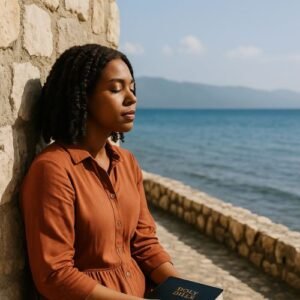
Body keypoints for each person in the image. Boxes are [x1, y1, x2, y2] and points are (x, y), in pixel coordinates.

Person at [19, 44, 180, 300]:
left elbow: (145, 244)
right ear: (82, 96)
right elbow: (55, 276)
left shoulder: (127, 163)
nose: (131, 98)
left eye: (132, 88)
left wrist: (188, 290)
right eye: (116, 89)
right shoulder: (53, 170)